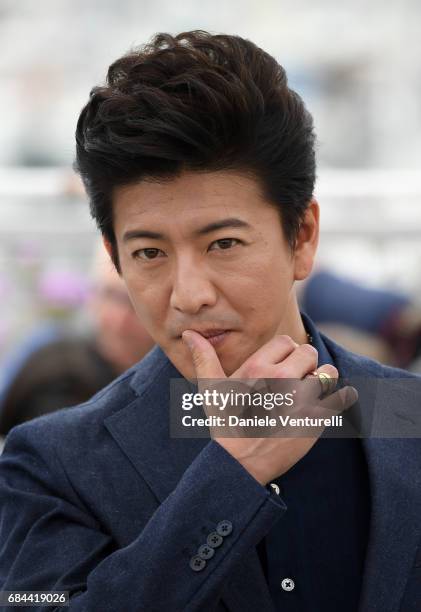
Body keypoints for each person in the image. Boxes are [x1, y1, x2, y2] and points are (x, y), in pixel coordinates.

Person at [0, 30, 420, 612]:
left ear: (301, 236)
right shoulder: (55, 463)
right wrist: (228, 479)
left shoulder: (409, 416)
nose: (188, 295)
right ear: (116, 258)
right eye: (150, 253)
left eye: (223, 242)